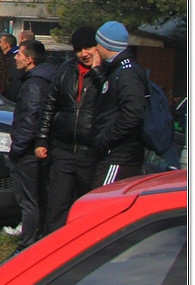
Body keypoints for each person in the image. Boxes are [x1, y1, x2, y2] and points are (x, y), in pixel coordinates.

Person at [34, 26, 101, 235]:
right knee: (57, 206)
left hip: (91, 151)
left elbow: (111, 103)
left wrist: (98, 72)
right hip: (62, 150)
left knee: (90, 206)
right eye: (79, 49)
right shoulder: (65, 70)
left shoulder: (106, 73)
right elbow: (48, 106)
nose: (84, 54)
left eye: (89, 48)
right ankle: (52, 247)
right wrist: (41, 139)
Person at [8, 39, 56, 253]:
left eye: (19, 54)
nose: (15, 57)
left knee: (29, 200)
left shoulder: (34, 84)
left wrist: (17, 148)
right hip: (34, 148)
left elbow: (30, 118)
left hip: (27, 152)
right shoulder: (44, 79)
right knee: (37, 198)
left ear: (29, 59)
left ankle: (27, 245)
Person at [89, 21, 147, 187]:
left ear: (106, 44)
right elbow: (112, 96)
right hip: (114, 154)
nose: (95, 49)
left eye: (97, 43)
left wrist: (106, 139)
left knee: (101, 205)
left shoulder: (127, 72)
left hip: (119, 155)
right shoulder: (116, 70)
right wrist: (98, 73)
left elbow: (133, 112)